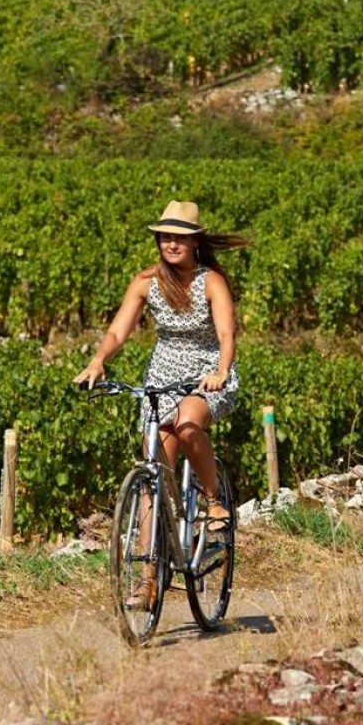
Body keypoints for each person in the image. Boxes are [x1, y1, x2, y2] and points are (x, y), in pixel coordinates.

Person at [74, 200, 248, 608]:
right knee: (154, 471)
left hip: (207, 369)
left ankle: (215, 502)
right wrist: (99, 360)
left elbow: (226, 334)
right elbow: (118, 331)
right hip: (163, 372)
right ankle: (149, 580)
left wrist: (221, 371)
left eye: (179, 237)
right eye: (165, 237)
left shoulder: (210, 282)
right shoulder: (145, 282)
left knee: (188, 423)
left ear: (193, 242)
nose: (171, 243)